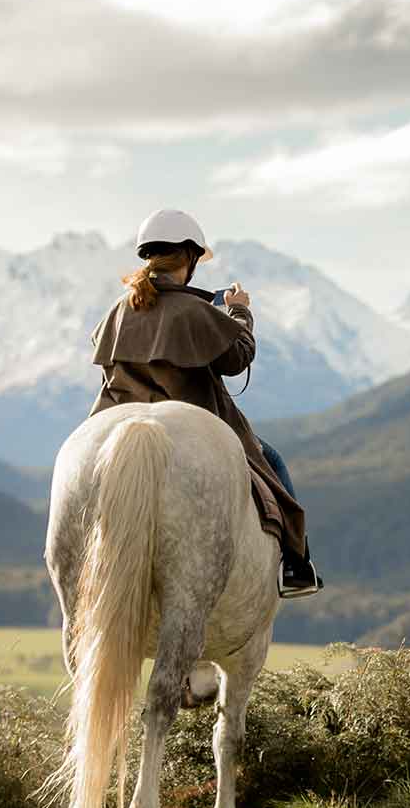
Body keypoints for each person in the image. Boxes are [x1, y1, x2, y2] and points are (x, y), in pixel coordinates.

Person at [88, 207, 321, 598]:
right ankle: (297, 566)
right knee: (273, 460)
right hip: (194, 418)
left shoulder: (118, 309)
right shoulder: (194, 310)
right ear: (190, 258)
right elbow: (237, 358)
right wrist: (240, 311)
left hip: (113, 419)